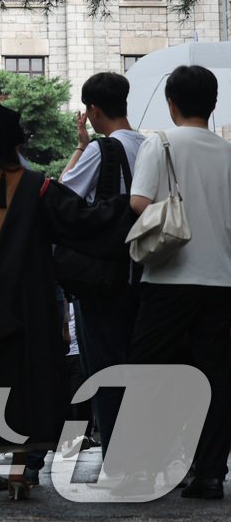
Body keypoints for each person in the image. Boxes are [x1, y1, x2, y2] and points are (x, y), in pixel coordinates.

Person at [0, 97, 121, 503]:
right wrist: (128, 209)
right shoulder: (36, 187)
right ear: (13, 144)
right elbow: (81, 225)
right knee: (21, 385)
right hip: (27, 310)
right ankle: (16, 472)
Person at [128, 64, 231, 500]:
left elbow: (138, 202)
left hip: (169, 278)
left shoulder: (161, 143)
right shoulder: (228, 152)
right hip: (222, 281)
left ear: (171, 104)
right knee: (217, 378)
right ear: (212, 104)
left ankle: (148, 469)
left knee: (153, 374)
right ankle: (209, 472)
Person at [59, 71, 145, 449]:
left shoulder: (101, 149)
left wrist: (80, 148)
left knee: (106, 369)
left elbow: (63, 197)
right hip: (148, 273)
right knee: (142, 366)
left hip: (103, 275)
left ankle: (117, 453)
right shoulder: (153, 146)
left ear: (94, 109)